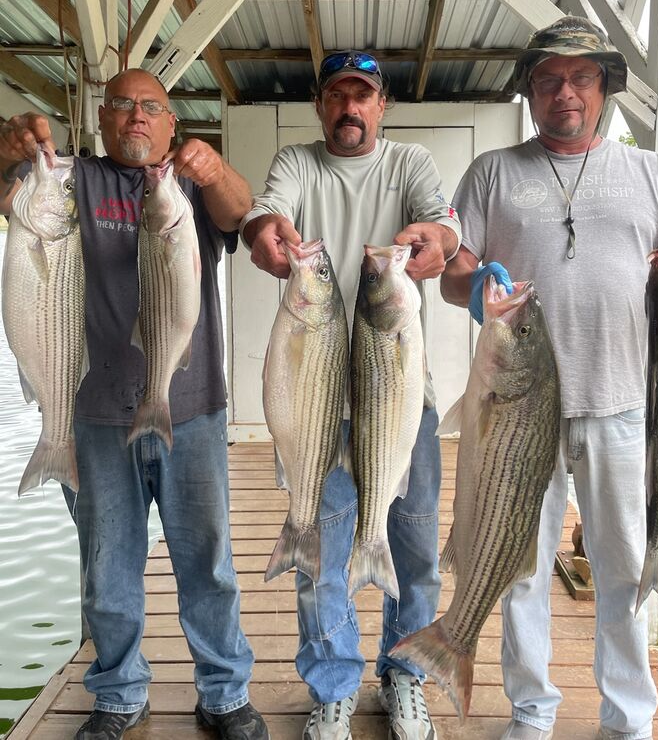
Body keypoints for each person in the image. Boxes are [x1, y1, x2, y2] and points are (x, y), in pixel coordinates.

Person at [441, 16, 658, 740]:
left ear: (605, 89)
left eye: (580, 77)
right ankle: (531, 712)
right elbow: (453, 268)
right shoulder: (492, 172)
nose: (565, 92)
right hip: (516, 409)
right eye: (549, 78)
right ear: (529, 91)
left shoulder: (651, 171)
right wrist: (475, 288)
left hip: (623, 404)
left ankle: (628, 720)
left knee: (624, 570)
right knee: (519, 568)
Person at [0, 68, 269, 740]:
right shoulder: (70, 182)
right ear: (103, 117)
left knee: (206, 559)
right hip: (89, 414)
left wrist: (215, 171)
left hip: (193, 406)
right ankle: (119, 694)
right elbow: (8, 196)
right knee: (106, 564)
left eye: (151, 107)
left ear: (171, 123)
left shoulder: (189, 187)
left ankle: (224, 693)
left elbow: (242, 212)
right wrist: (10, 151)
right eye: (122, 105)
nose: (136, 118)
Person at [241, 50, 461, 740]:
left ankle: (406, 678)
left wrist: (439, 239)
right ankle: (333, 685)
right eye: (337, 95)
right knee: (319, 552)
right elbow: (265, 214)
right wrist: (262, 233)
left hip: (401, 402)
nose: (349, 108)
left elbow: (441, 223)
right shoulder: (298, 162)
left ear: (381, 105)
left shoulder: (410, 163)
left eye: (362, 96)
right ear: (321, 106)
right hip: (317, 405)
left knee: (415, 548)